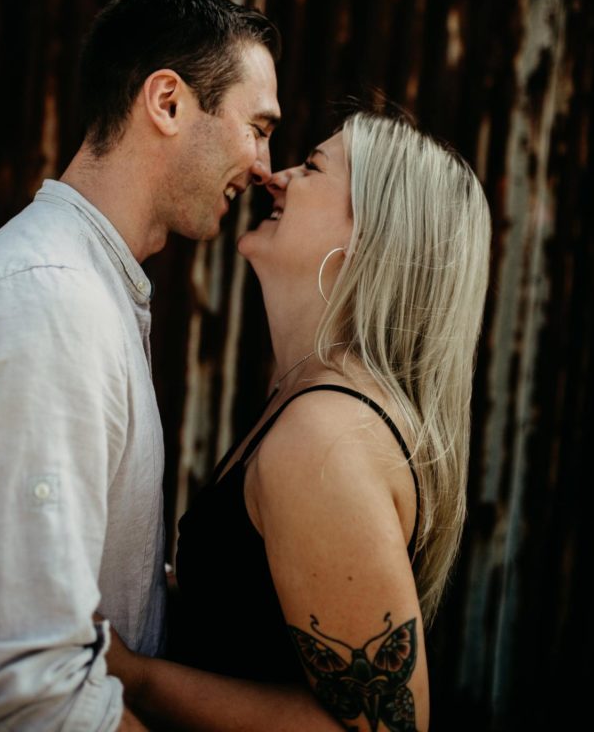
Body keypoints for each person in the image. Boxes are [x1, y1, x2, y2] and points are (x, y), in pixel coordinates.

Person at [0, 0, 281, 730]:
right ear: (167, 102)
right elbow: (25, 695)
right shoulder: (48, 306)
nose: (263, 166)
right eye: (257, 126)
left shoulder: (88, 290)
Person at [104, 106, 492, 732]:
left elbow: (382, 728)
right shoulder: (309, 398)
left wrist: (132, 676)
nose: (272, 175)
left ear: (367, 235)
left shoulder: (325, 439)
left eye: (311, 167)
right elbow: (252, 625)